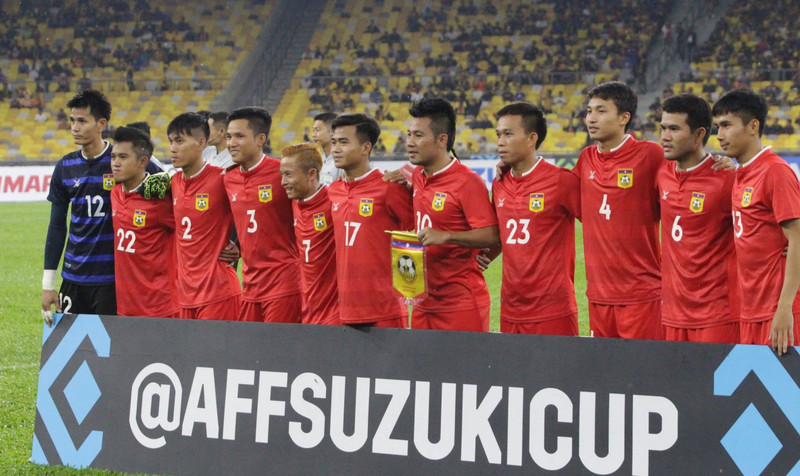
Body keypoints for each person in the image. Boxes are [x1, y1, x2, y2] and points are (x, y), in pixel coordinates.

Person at [41, 89, 160, 324]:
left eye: (82, 121)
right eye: (73, 120)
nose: (75, 127)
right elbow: (57, 226)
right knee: (74, 354)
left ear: (101, 123)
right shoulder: (65, 166)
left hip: (113, 278)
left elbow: (165, 194)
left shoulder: (123, 159)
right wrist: (48, 285)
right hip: (73, 276)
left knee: (109, 352)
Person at [572, 81, 664, 339]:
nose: (591, 118)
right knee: (604, 374)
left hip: (641, 294)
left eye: (601, 111)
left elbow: (686, 185)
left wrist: (724, 167)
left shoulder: (650, 155)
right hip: (598, 295)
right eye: (589, 111)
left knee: (644, 371)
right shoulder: (586, 158)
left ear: (624, 117)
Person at [480, 102, 580, 335]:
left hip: (552, 310)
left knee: (557, 372)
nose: (500, 141)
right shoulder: (499, 182)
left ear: (531, 138)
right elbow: (504, 232)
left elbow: (598, 225)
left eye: (508, 134)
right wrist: (485, 256)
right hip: (511, 309)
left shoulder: (561, 181)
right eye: (498, 134)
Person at [713, 89, 800, 355]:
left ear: (753, 126)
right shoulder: (741, 172)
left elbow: (797, 238)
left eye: (727, 125)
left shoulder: (775, 171)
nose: (719, 135)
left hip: (778, 311)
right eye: (717, 127)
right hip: (750, 308)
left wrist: (785, 308)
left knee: (785, 394)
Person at [407, 97, 499, 331]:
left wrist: (447, 236)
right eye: (409, 135)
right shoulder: (417, 175)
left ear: (441, 140)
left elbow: (492, 235)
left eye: (418, 135)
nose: (409, 142)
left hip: (460, 303)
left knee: (464, 368)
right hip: (422, 301)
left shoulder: (467, 182)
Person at [657, 93, 739, 343]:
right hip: (672, 314)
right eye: (662, 128)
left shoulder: (726, 180)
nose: (665, 136)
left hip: (716, 315)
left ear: (699, 134)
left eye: (674, 129)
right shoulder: (661, 173)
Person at [327, 113, 413, 327]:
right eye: (334, 142)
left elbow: (416, 235)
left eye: (344, 142)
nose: (335, 149)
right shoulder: (333, 190)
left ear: (366, 147)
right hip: (344, 308)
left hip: (385, 309)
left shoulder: (389, 187)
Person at [223, 107, 302, 323]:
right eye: (229, 136)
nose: (231, 143)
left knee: (277, 353)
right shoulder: (228, 178)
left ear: (260, 139)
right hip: (249, 284)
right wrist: (232, 244)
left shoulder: (282, 173)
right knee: (250, 353)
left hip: (283, 284)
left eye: (239, 136)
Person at [168, 112, 241, 320]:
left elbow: (254, 211)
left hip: (218, 292)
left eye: (180, 141)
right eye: (171, 141)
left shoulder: (222, 179)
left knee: (218, 353)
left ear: (201, 143)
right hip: (185, 294)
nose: (173, 148)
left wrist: (240, 245)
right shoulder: (173, 183)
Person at [109, 127, 178, 318]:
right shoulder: (115, 193)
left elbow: (193, 226)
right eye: (113, 157)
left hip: (160, 306)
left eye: (123, 157)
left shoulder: (162, 198)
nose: (115, 163)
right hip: (125, 305)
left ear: (143, 161)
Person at [280, 143, 340, 325]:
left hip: (335, 311)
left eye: (288, 175)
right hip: (308, 308)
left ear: (311, 174)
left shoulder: (335, 202)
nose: (283, 182)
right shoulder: (295, 202)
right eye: (282, 175)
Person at [311, 112, 342, 185]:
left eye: (317, 130)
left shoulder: (342, 161)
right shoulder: (318, 159)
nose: (313, 135)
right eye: (313, 130)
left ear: (332, 131)